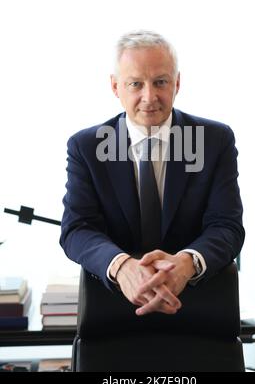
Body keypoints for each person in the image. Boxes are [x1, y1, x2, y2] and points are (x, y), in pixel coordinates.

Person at [60, 29, 245, 317]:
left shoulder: (214, 140)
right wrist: (122, 266)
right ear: (115, 87)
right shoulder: (86, 146)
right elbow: (77, 228)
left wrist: (185, 264)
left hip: (198, 304)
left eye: (160, 82)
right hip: (113, 306)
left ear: (177, 83)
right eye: (135, 84)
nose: (150, 97)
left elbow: (227, 226)